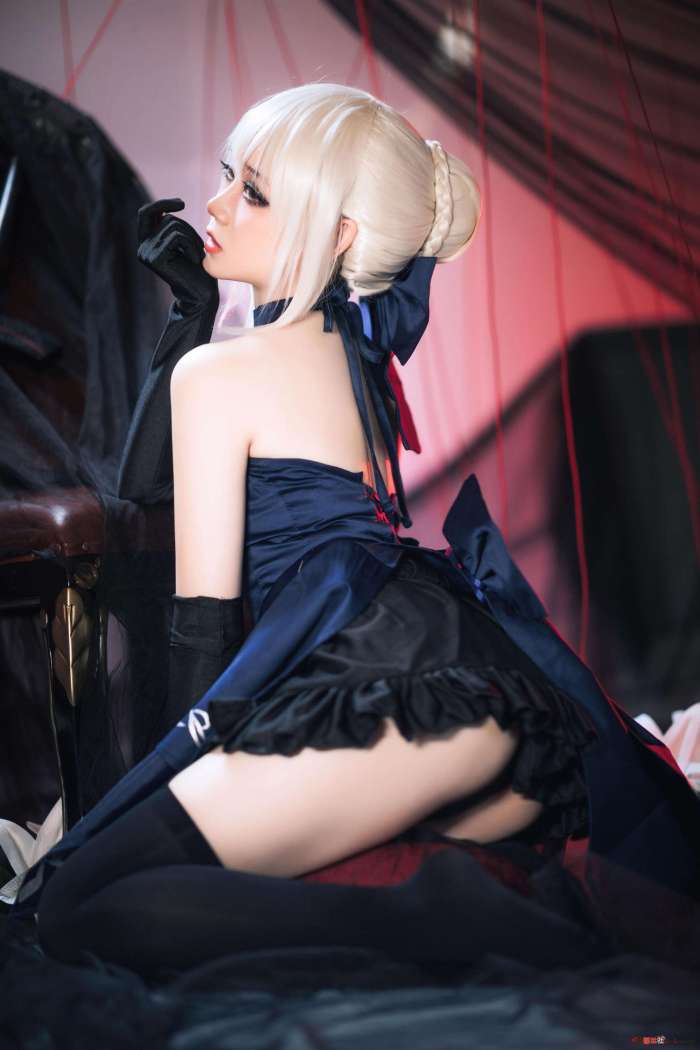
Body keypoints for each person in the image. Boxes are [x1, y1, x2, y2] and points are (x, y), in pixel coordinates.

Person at [10, 82, 700, 980]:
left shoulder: (224, 374)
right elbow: (154, 487)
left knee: (76, 909)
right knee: (114, 894)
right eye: (227, 175)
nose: (215, 206)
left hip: (394, 691)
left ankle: (478, 918)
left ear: (337, 233)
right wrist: (192, 315)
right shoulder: (362, 356)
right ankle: (469, 884)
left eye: (255, 192)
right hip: (482, 688)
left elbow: (201, 625)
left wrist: (172, 774)